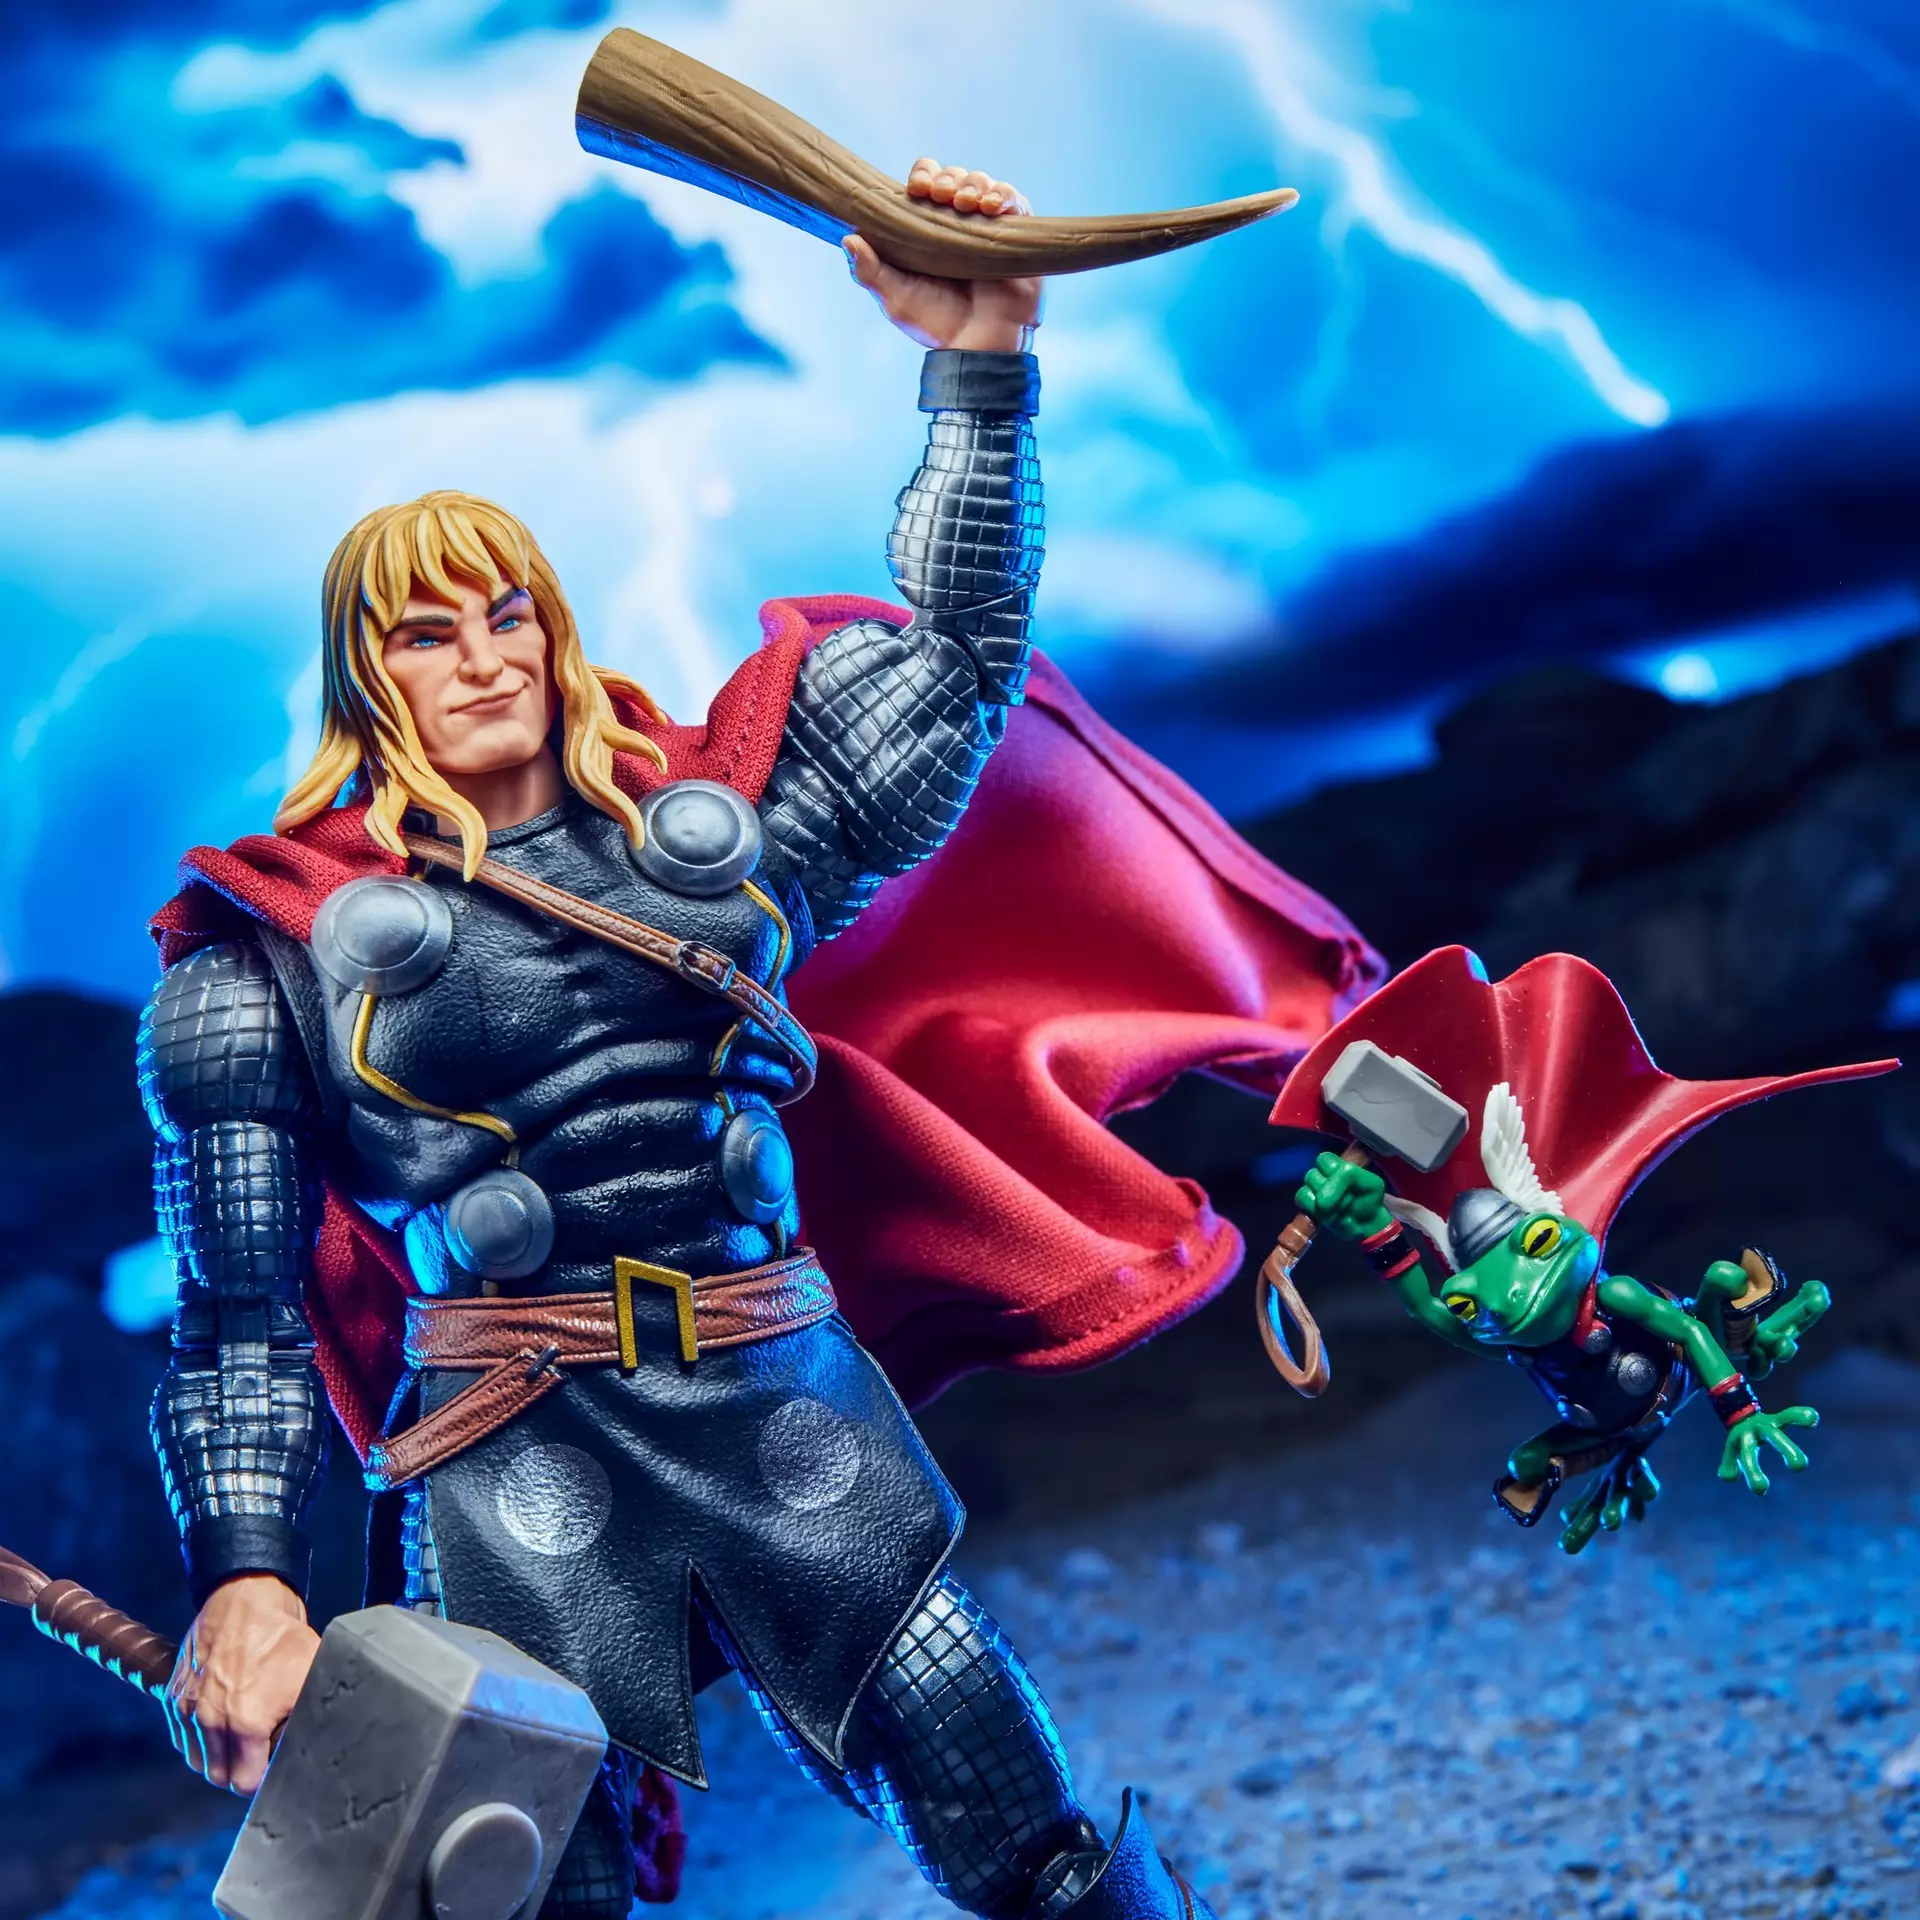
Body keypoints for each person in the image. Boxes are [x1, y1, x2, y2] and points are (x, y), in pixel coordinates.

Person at [139, 160, 1372, 1919]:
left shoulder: (710, 838)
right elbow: (239, 1309)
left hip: (781, 1396)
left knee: (1018, 1824)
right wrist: (249, 1573)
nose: (481, 659)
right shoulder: (270, 952)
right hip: (514, 1448)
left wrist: (979, 369)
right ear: (365, 676)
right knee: (514, 1886)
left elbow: (958, 660)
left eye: (505, 614)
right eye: (424, 634)